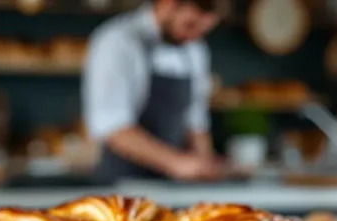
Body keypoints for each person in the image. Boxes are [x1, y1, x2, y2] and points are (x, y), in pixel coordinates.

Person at [83, 0, 228, 182]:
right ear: (167, 4)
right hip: (124, 185)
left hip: (174, 186)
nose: (193, 36)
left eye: (203, 30)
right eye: (189, 25)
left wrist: (205, 166)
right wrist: (177, 163)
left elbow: (195, 119)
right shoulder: (117, 41)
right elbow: (111, 125)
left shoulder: (194, 49)